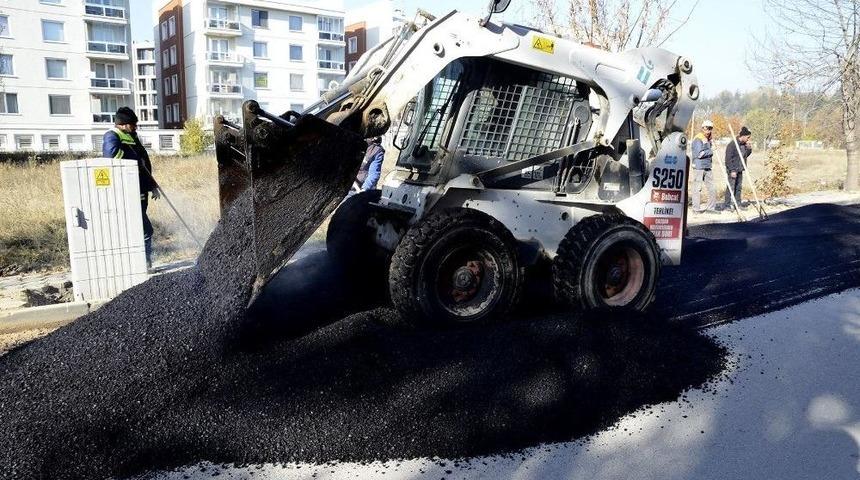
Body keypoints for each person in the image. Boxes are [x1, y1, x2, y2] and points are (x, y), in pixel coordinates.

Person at [102, 106, 160, 269]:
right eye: (133, 124)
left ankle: (143, 263)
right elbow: (113, 156)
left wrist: (152, 185)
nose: (135, 127)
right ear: (123, 124)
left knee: (142, 228)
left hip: (140, 190)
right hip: (127, 192)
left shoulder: (132, 138)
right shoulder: (112, 137)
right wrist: (135, 159)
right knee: (145, 230)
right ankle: (143, 264)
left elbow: (144, 168)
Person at [723, 126, 752, 210]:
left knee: (738, 188)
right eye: (747, 137)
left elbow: (744, 156)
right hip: (733, 169)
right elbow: (728, 159)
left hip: (740, 169)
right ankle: (727, 205)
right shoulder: (732, 144)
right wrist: (732, 170)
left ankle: (738, 204)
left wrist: (749, 149)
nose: (748, 139)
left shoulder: (744, 145)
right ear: (742, 136)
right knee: (731, 187)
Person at [691, 120, 716, 213]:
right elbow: (699, 154)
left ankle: (711, 208)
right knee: (697, 188)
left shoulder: (708, 139)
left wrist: (711, 145)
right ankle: (696, 209)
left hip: (707, 166)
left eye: (710, 128)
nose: (709, 130)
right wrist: (711, 151)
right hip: (699, 167)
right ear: (703, 128)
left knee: (712, 187)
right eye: (707, 128)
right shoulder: (698, 139)